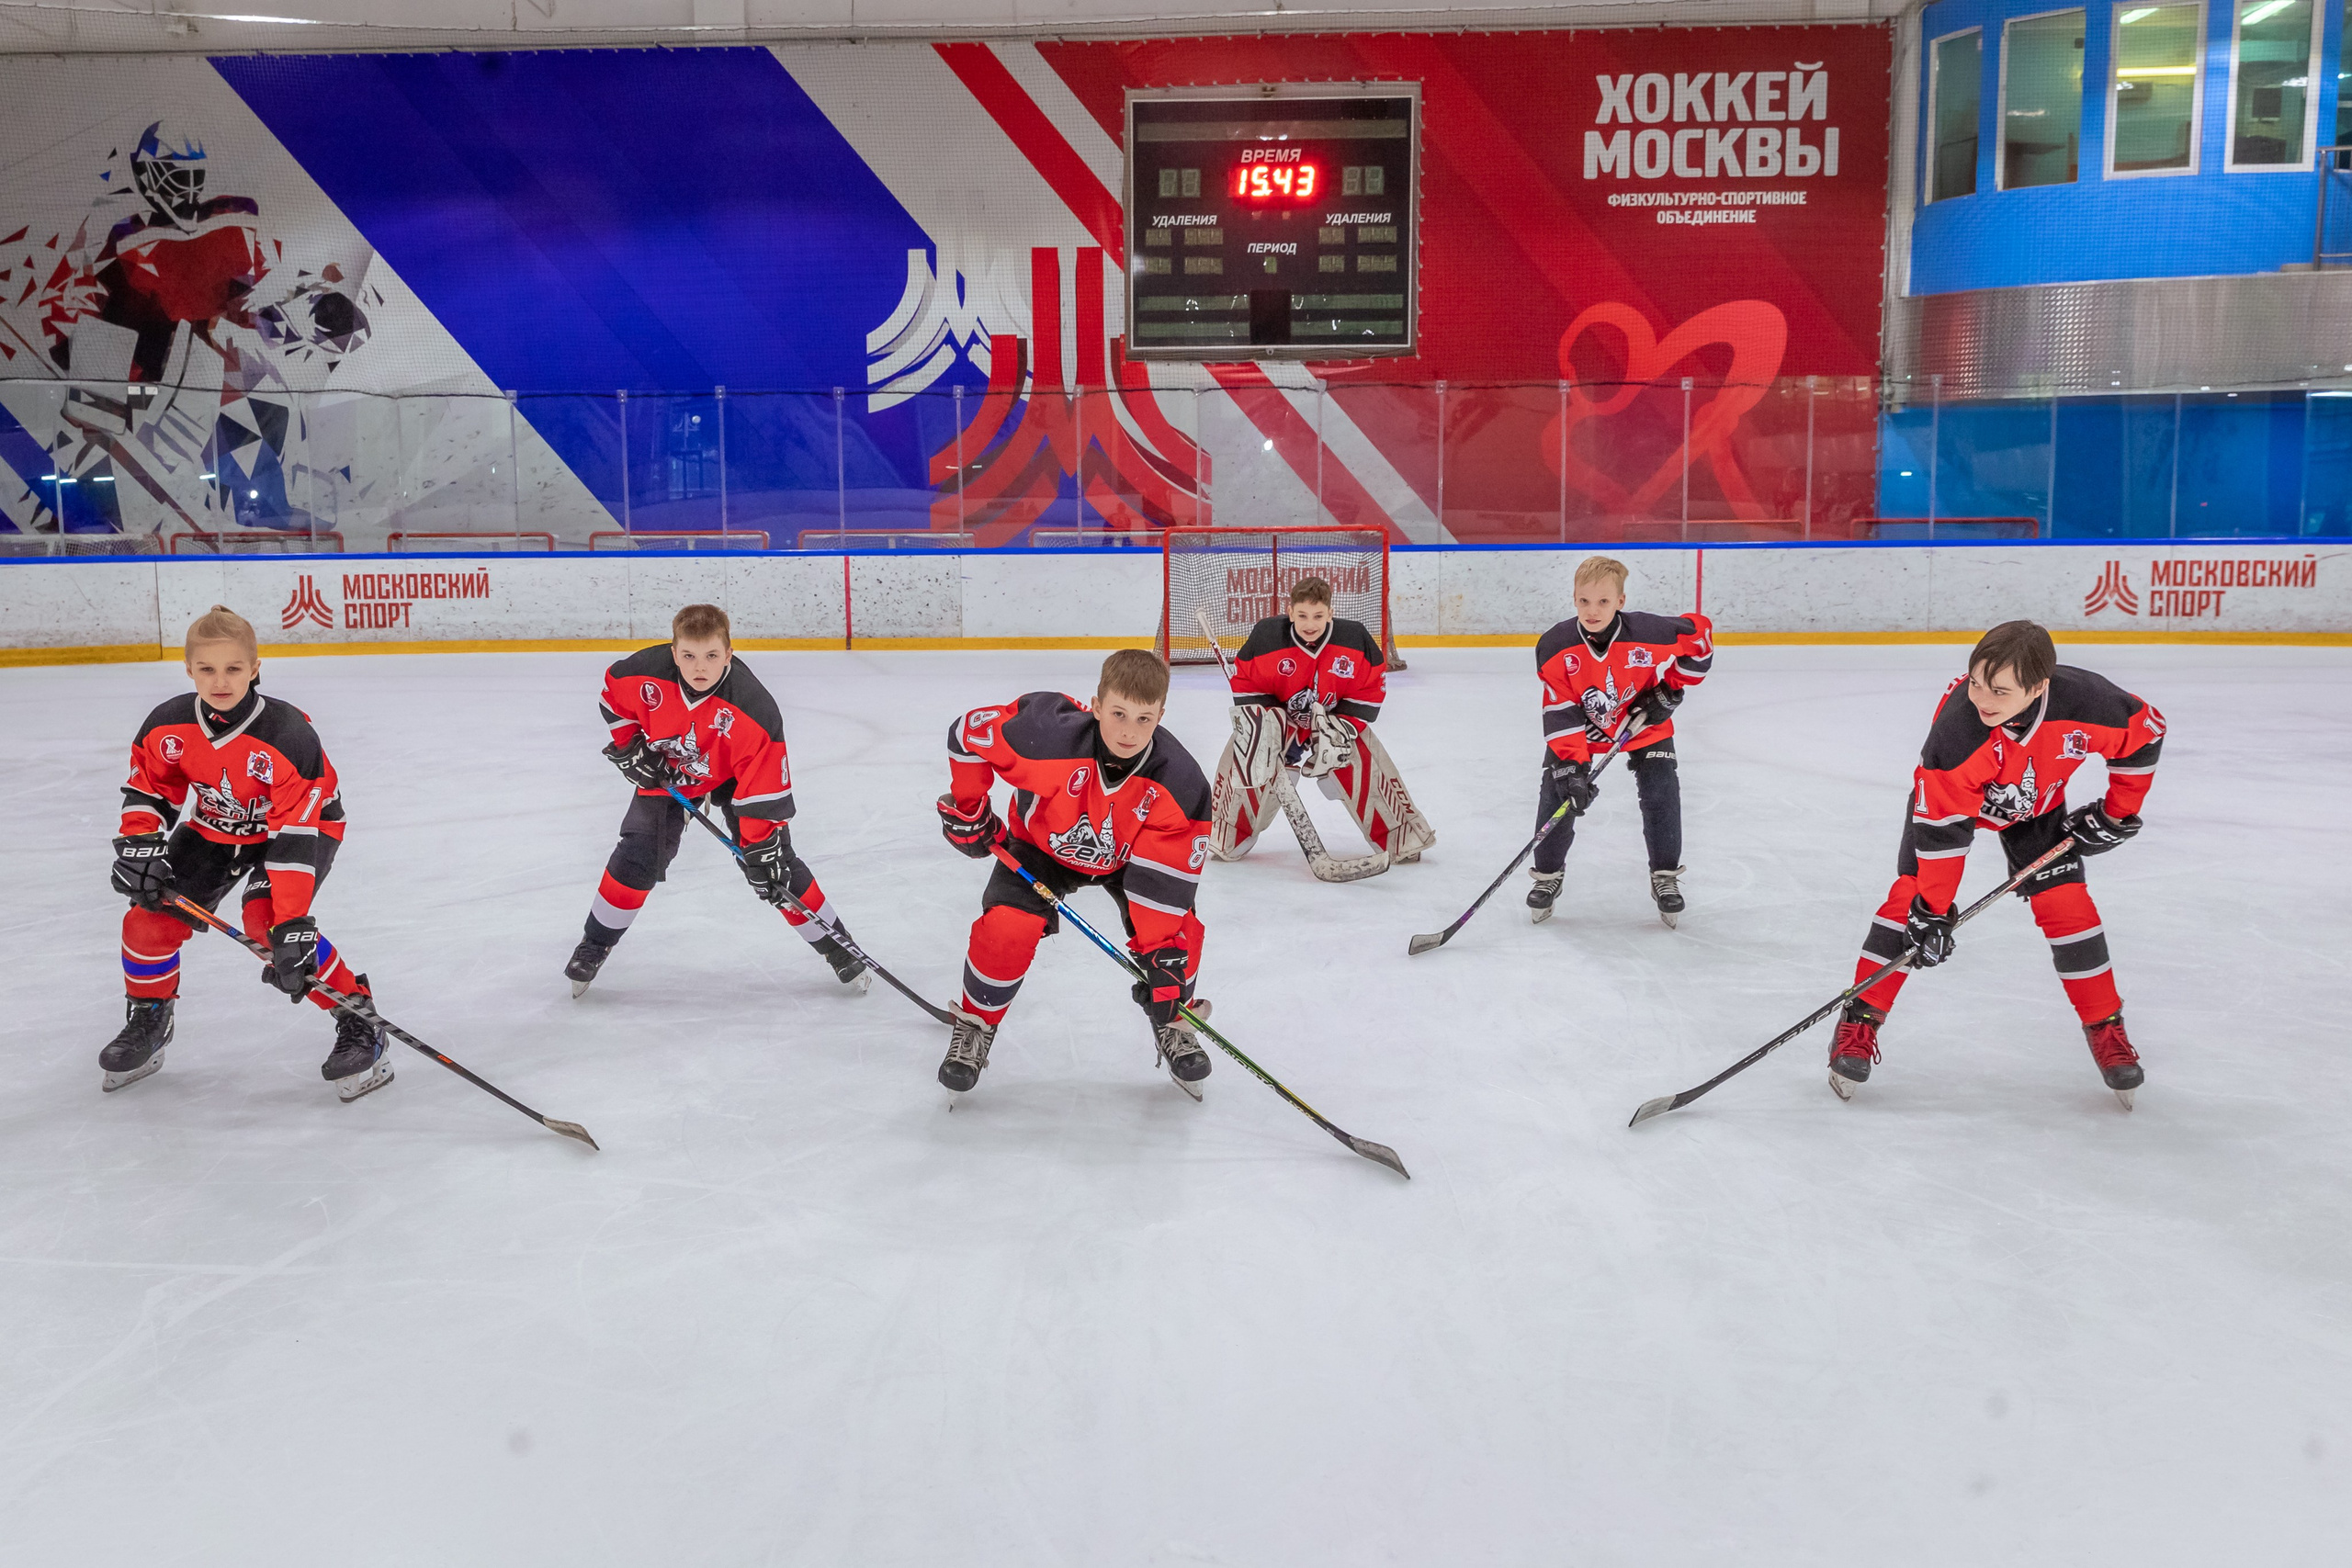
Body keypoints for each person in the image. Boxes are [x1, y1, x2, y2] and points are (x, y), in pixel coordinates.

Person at [1830, 620, 2165, 1107]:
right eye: (1976, 683)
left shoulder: (2088, 704)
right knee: (1911, 902)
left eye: (2000, 690)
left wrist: (2117, 814)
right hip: (1954, 808)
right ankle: (1859, 1019)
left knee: (2068, 907)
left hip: (2037, 808)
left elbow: (2145, 734)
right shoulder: (1957, 736)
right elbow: (1944, 832)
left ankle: (2106, 1027)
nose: (1982, 699)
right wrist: (1932, 912)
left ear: (2039, 687)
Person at [103, 605, 391, 1100]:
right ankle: (150, 1015)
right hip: (216, 826)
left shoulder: (287, 734)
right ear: (189, 669)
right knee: (147, 923)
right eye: (207, 669)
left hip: (298, 832)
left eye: (234, 668)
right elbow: (151, 789)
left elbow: (295, 835)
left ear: (255, 668)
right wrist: (140, 844)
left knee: (270, 926)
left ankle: (358, 1016)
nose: (220, 681)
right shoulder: (168, 724)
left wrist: (292, 922)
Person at [933, 649, 1215, 1094]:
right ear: (1096, 706)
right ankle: (976, 1022)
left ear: (1161, 716)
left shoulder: (1179, 782)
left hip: (1128, 860)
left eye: (1144, 719)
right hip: (1040, 848)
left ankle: (1174, 1019)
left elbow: (1165, 881)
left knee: (1177, 934)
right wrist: (970, 809)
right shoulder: (1045, 738)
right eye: (1119, 713)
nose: (1129, 731)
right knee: (1006, 928)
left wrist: (1162, 962)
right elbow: (966, 733)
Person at [565, 604, 869, 997]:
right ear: (674, 653)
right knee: (638, 853)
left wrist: (760, 848)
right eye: (689, 656)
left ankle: (839, 948)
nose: (700, 667)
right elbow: (612, 700)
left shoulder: (754, 708)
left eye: (711, 656)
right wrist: (631, 746)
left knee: (774, 866)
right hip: (670, 769)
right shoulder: (642, 674)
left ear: (728, 654)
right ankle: (595, 943)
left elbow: (762, 786)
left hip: (735, 777)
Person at [1530, 555, 1714, 926]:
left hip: (1642, 723)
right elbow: (1560, 708)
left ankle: (1665, 875)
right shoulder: (1555, 645)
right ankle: (1547, 876)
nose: (1592, 610)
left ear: (1621, 601)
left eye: (1603, 601)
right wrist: (1572, 767)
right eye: (1584, 601)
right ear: (1574, 598)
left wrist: (1670, 690)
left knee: (1661, 791)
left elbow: (1701, 638)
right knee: (1559, 793)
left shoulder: (1649, 632)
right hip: (1581, 730)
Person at [1211, 575, 1435, 873]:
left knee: (1354, 750)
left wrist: (1341, 727)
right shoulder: (1266, 638)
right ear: (1290, 613)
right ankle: (1225, 832)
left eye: (1318, 616)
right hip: (1282, 721)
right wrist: (1271, 724)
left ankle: (1402, 836)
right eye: (1302, 615)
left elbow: (1369, 690)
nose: (1310, 623)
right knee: (1251, 745)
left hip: (1332, 721)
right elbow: (1247, 687)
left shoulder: (1354, 640)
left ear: (1330, 613)